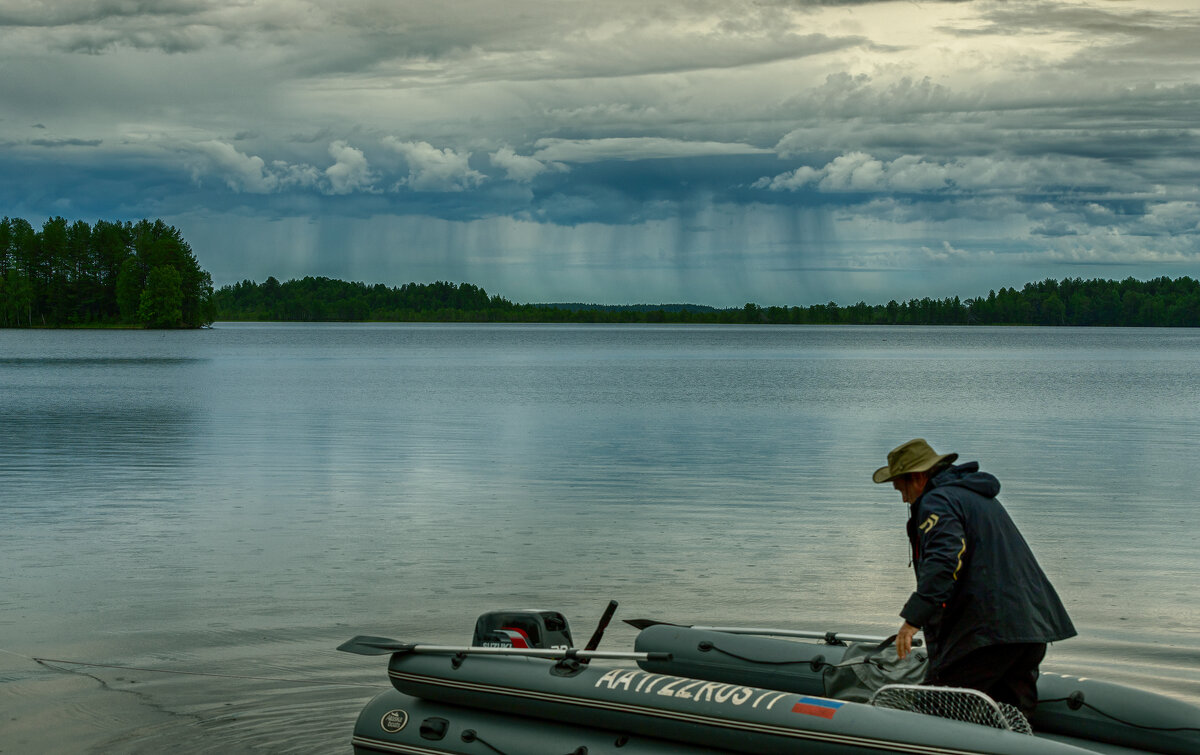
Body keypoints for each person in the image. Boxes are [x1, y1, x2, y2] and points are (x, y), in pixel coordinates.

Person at [873, 438, 1076, 716]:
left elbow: (945, 562)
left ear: (918, 477)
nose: (903, 497)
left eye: (901, 487)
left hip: (988, 636)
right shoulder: (973, 496)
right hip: (1029, 630)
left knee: (934, 707)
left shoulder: (937, 501)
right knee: (1012, 716)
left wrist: (913, 620)